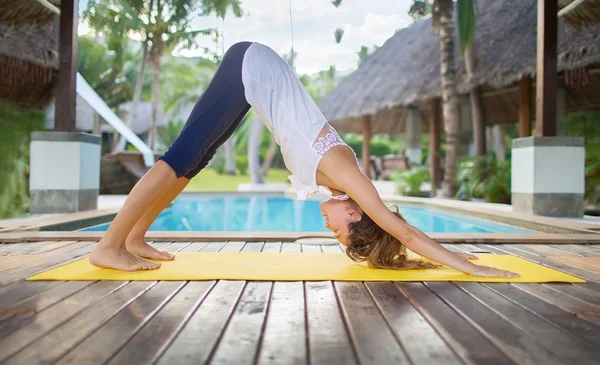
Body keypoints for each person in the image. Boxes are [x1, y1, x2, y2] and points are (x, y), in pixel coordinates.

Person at [89, 41, 519, 279]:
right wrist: (467, 267)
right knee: (181, 155)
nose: (328, 229)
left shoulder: (342, 185)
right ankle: (109, 245)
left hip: (252, 75)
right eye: (339, 232)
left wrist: (452, 255)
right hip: (251, 68)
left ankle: (133, 238)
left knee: (194, 160)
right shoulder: (351, 178)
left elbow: (398, 229)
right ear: (355, 212)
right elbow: (402, 229)